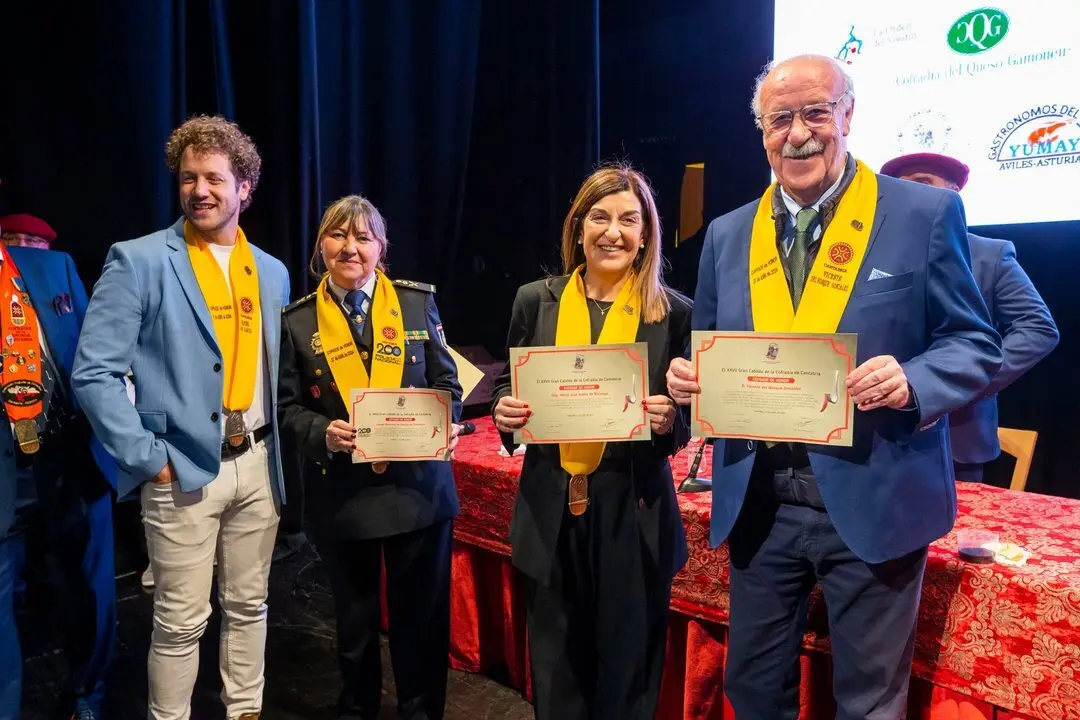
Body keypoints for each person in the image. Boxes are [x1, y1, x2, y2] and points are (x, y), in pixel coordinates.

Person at [666, 55, 1002, 718]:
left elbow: (975, 343)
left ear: (848, 115)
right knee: (754, 692)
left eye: (816, 112)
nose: (799, 134)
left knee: (869, 706)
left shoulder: (923, 214)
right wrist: (687, 379)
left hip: (876, 501)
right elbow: (704, 348)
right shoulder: (729, 235)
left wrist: (913, 379)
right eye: (779, 119)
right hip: (759, 504)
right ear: (761, 132)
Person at [71, 115, 291, 720]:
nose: (200, 190)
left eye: (215, 178)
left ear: (244, 187)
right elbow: (93, 373)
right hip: (182, 470)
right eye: (189, 177)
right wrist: (149, 460)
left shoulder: (271, 272)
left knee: (250, 607)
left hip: (258, 465)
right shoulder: (138, 260)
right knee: (179, 624)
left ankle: (245, 710)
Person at [492, 165, 692, 720]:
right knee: (557, 670)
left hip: (633, 507)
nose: (614, 232)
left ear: (647, 232)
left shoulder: (673, 312)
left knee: (630, 672)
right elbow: (512, 383)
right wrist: (507, 412)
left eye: (629, 219)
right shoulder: (535, 300)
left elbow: (694, 410)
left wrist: (671, 416)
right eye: (600, 218)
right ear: (578, 228)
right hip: (550, 505)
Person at [278, 194, 463, 720]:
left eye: (363, 237)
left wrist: (446, 418)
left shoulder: (413, 302)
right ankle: (357, 708)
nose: (351, 247)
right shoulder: (297, 320)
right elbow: (286, 408)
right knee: (354, 622)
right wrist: (322, 432)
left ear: (381, 247)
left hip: (418, 491)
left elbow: (447, 380)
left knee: (420, 621)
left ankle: (421, 712)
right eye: (338, 235)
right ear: (321, 247)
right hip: (343, 493)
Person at [880, 152, 1059, 482]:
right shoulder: (874, 256)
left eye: (923, 184)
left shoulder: (989, 255)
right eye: (901, 189)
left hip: (956, 440)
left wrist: (961, 381)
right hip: (876, 438)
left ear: (954, 194)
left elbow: (1037, 327)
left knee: (955, 534)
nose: (912, 197)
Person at [0, 230, 119, 720]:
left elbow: (94, 356)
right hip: (6, 467)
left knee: (90, 587)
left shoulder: (54, 266)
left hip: (71, 453)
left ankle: (86, 694)